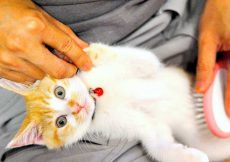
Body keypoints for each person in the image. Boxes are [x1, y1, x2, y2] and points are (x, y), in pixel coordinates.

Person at [0, 0, 228, 161]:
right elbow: (147, 128)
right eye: (61, 122)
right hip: (25, 54)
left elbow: (148, 65)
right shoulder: (103, 124)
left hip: (179, 13)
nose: (75, 106)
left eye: (60, 94)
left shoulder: (92, 76)